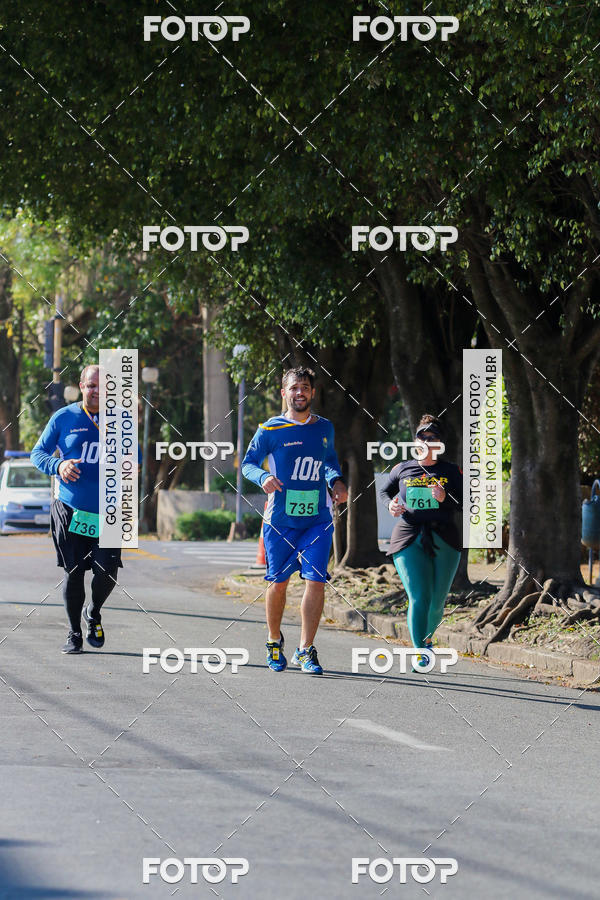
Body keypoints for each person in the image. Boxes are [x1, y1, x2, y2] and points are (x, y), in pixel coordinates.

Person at [242, 367, 348, 674]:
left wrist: (336, 481)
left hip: (318, 517)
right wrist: (262, 476)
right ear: (283, 393)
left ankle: (305, 650)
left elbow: (329, 463)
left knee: (316, 581)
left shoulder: (325, 428)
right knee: (278, 583)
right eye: (293, 388)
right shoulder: (270, 430)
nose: (299, 392)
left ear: (312, 393)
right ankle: (274, 641)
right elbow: (248, 464)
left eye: (305, 387)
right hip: (280, 520)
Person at [31, 365, 124, 654]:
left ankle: (93, 613)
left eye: (102, 386)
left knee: (107, 572)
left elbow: (135, 460)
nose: (96, 391)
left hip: (108, 511)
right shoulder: (64, 417)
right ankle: (73, 634)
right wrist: (59, 464)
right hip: (70, 509)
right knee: (74, 572)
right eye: (91, 385)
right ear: (82, 386)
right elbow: (38, 453)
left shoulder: (121, 421)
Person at [379, 414, 462, 669]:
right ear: (415, 441)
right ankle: (419, 651)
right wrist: (390, 504)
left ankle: (427, 639)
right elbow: (385, 492)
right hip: (408, 536)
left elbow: (467, 503)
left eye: (432, 438)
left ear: (439, 443)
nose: (426, 441)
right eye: (421, 437)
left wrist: (444, 497)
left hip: (445, 538)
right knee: (419, 596)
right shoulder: (402, 468)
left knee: (437, 602)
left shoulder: (450, 470)